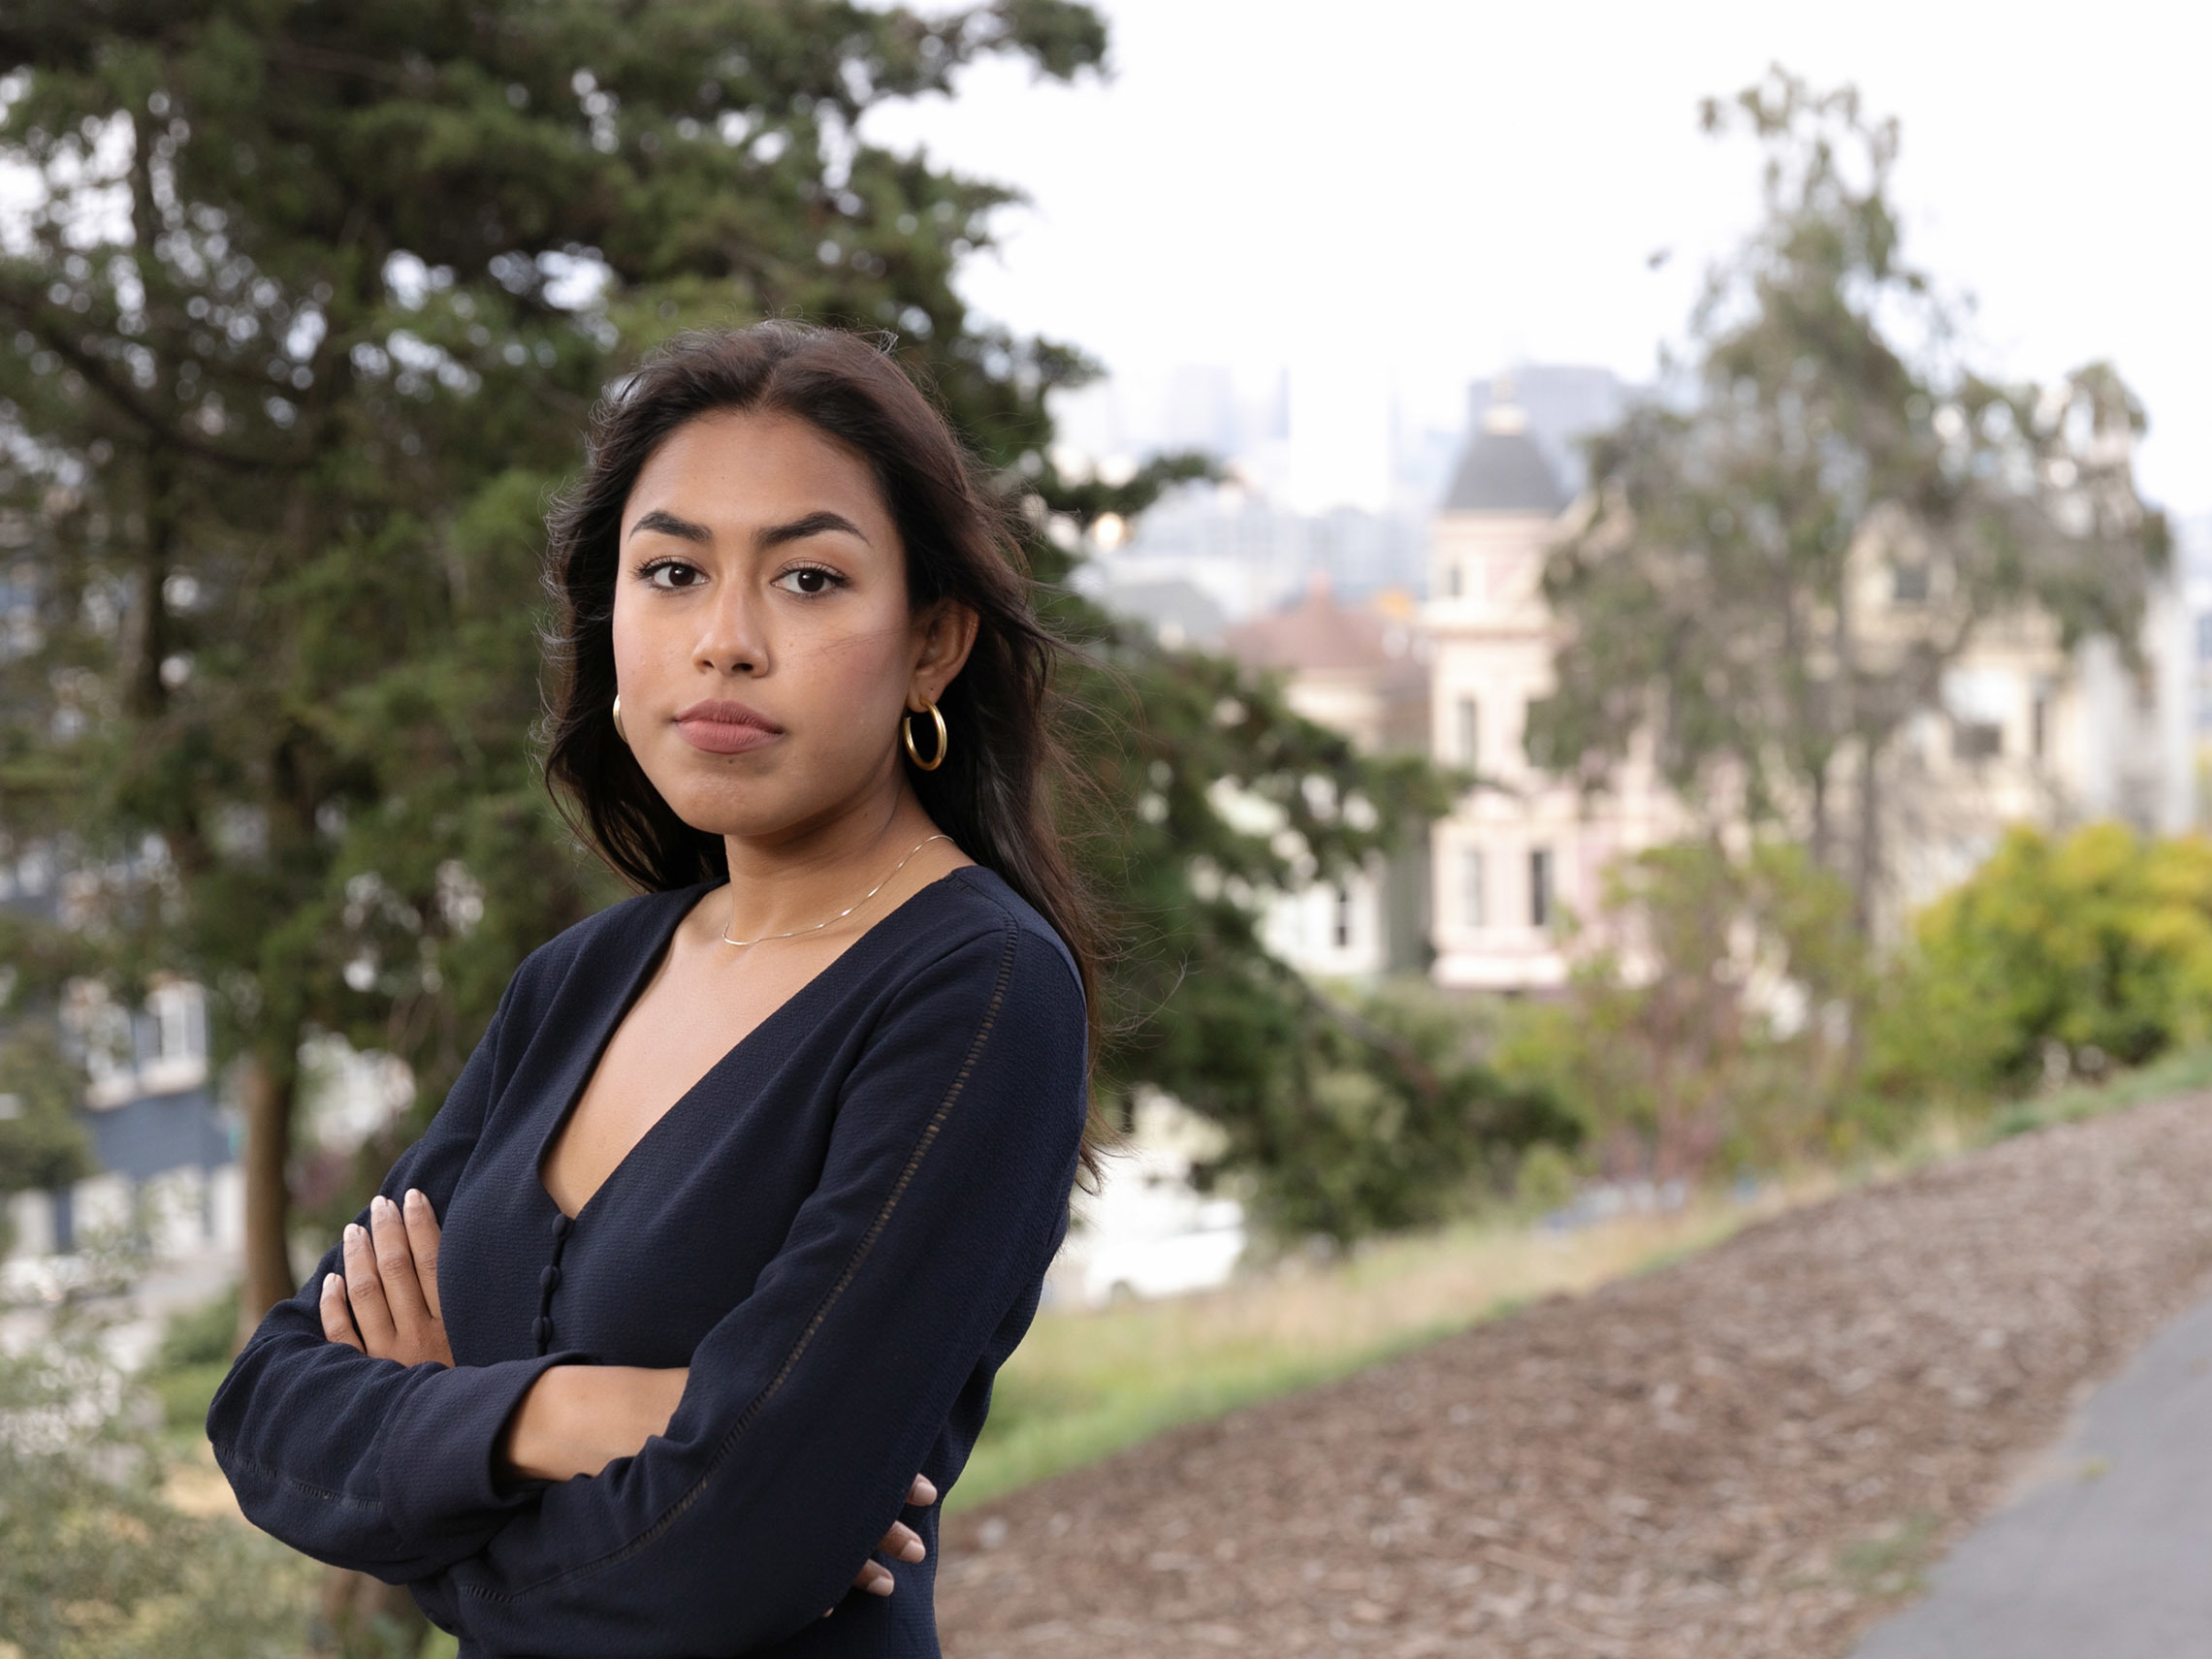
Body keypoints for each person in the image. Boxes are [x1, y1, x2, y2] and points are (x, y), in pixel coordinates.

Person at [208, 322, 1106, 1657]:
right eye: (673, 572)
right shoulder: (577, 984)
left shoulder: (977, 993)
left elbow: (724, 1555)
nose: (725, 642)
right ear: (606, 616)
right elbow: (269, 1412)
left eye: (807, 580)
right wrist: (569, 1417)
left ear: (931, 645)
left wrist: (426, 1488)